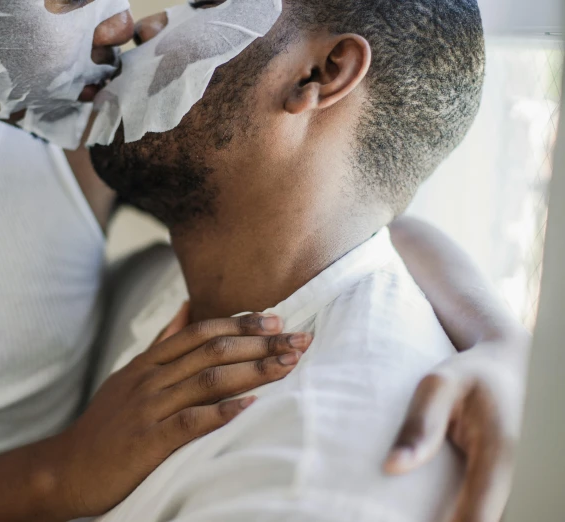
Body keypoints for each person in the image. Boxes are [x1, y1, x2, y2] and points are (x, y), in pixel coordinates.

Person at [0, 0, 527, 521]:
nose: (121, 25)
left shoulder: (65, 139)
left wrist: (506, 342)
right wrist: (54, 477)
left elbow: (332, 213)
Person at [88, 0, 529, 520]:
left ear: (321, 74)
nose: (146, 24)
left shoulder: (311, 472)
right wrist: (506, 340)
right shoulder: (173, 278)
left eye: (205, 1)